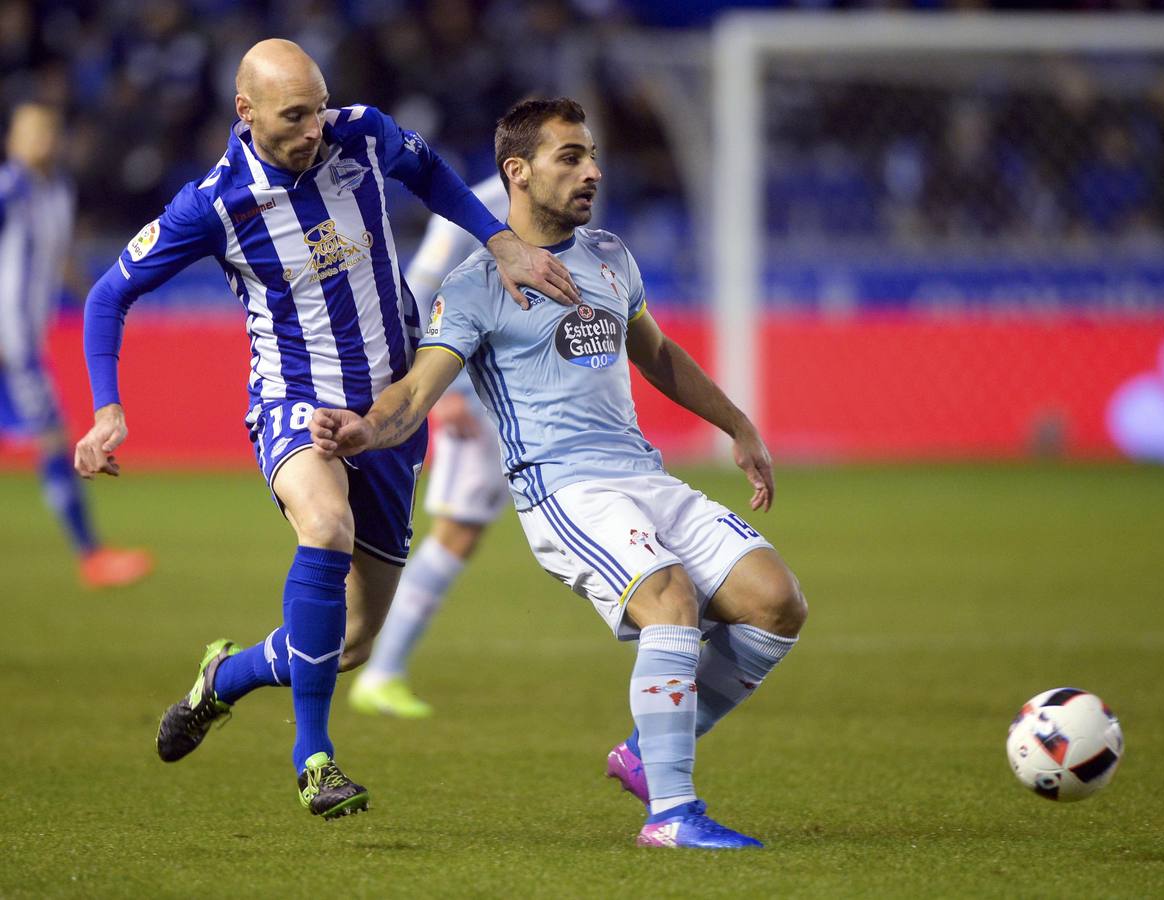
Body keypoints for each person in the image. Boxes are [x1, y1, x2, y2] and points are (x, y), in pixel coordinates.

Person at [73, 40, 581, 820]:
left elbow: (434, 173)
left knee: (354, 643)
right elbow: (108, 296)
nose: (315, 127)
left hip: (388, 412)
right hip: (294, 402)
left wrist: (501, 240)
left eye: (318, 106)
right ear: (245, 113)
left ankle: (226, 679)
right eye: (294, 115)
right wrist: (109, 408)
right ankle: (314, 757)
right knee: (326, 522)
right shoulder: (212, 204)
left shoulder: (364, 133)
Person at [312, 98, 807, 849]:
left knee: (777, 603)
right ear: (519, 170)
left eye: (592, 156)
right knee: (668, 599)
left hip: (643, 473)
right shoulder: (476, 284)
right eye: (570, 157)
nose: (593, 172)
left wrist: (737, 426)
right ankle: (672, 815)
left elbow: (659, 354)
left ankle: (646, 749)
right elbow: (415, 392)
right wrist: (364, 429)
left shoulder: (610, 255)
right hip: (563, 488)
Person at [348, 173, 510, 718]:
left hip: (514, 391)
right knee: (458, 532)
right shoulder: (479, 206)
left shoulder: (549, 204)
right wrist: (446, 391)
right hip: (477, 395)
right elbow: (416, 290)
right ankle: (381, 670)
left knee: (467, 531)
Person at [0, 103, 153, 589]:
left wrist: (97, 301)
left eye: (49, 128)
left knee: (50, 436)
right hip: (11, 338)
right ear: (12, 141)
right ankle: (90, 555)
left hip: (24, 336)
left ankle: (91, 554)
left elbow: (61, 257)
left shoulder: (59, 191)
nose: (43, 138)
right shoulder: (10, 189)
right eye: (32, 130)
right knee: (51, 435)